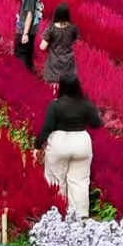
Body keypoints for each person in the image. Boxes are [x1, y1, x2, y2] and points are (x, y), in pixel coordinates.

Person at [35, 79, 103, 218]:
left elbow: (47, 128)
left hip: (60, 143)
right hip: (81, 143)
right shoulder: (86, 104)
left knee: (56, 180)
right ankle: (80, 217)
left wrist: (37, 146)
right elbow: (97, 123)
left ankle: (57, 214)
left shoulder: (55, 105)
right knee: (80, 182)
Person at [40, 2, 78, 87]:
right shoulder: (73, 29)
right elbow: (76, 43)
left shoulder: (51, 28)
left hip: (54, 64)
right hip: (68, 65)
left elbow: (42, 47)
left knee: (53, 89)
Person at [15, 0, 43, 71]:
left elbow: (30, 14)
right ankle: (29, 74)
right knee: (27, 55)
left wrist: (25, 33)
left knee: (21, 55)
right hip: (30, 29)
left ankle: (22, 76)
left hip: (25, 29)